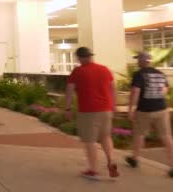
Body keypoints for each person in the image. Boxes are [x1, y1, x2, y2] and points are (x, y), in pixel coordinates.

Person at [65, 47, 119, 180]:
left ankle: (93, 170)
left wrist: (68, 108)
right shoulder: (105, 69)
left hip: (88, 111)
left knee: (90, 141)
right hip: (106, 109)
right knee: (106, 137)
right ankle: (111, 161)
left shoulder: (78, 71)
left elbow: (70, 91)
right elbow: (113, 88)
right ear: (91, 56)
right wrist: (113, 106)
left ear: (80, 58)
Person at [126, 52, 173, 178]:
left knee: (139, 134)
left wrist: (131, 109)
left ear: (143, 61)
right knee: (166, 136)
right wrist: (157, 97)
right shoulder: (160, 74)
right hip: (162, 110)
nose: (137, 62)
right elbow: (165, 89)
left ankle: (135, 159)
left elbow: (135, 92)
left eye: (138, 60)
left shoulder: (139, 74)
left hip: (144, 111)